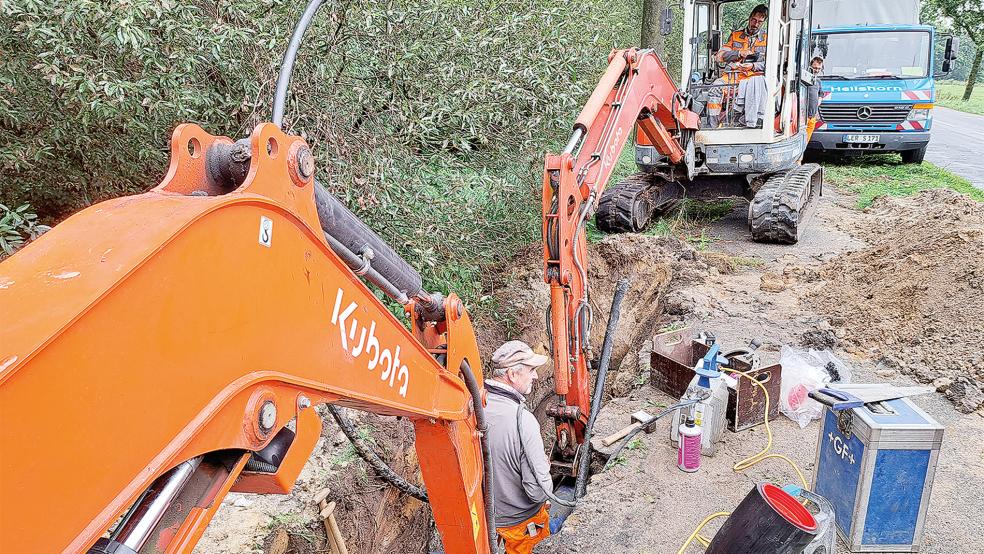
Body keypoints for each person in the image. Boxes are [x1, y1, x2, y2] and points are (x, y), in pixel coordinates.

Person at [485, 340, 554, 553]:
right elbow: (538, 492)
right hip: (521, 524)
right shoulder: (522, 421)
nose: (536, 376)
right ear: (513, 375)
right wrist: (544, 468)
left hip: (485, 520)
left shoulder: (473, 407)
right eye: (531, 370)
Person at [707, 4, 769, 126]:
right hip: (733, 76)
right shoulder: (735, 35)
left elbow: (772, 64)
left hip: (755, 78)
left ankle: (751, 124)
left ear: (764, 22)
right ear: (749, 18)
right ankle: (712, 127)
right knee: (715, 87)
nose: (756, 24)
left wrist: (753, 66)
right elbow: (719, 56)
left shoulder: (768, 38)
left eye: (760, 22)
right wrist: (739, 53)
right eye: (754, 20)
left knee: (756, 91)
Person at [806, 55, 824, 142]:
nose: (817, 70)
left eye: (819, 69)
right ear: (810, 66)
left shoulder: (818, 81)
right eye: (815, 68)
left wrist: (819, 100)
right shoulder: (805, 79)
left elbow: (821, 93)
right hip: (803, 116)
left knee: (806, 142)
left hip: (812, 117)